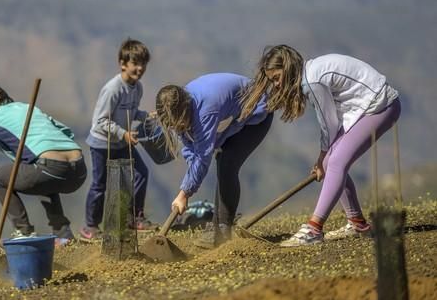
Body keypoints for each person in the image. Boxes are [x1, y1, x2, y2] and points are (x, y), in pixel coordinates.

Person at [240, 45, 401, 247]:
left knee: (334, 162)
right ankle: (357, 224)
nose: (277, 84)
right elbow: (331, 124)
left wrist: (321, 158)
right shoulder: (310, 74)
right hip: (362, 108)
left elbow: (329, 123)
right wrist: (324, 157)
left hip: (381, 105)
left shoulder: (311, 81)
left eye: (277, 77)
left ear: (288, 67)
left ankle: (314, 229)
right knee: (334, 161)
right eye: (273, 80)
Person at [0, 85, 86, 246]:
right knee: (42, 179)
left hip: (50, 169)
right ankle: (63, 234)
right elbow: (66, 132)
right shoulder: (29, 108)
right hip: (79, 170)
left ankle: (24, 231)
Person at [156, 73, 273, 248]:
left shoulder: (205, 111)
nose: (177, 128)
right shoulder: (175, 106)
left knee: (227, 162)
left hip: (256, 112)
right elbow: (189, 147)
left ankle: (223, 230)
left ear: (185, 109)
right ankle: (217, 228)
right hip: (235, 114)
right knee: (222, 161)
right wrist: (190, 177)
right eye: (174, 126)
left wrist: (184, 193)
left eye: (180, 123)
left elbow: (203, 157)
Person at [80, 38, 156, 241]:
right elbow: (100, 121)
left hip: (122, 141)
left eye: (143, 64)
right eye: (135, 64)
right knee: (100, 184)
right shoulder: (113, 89)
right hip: (102, 143)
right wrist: (123, 133)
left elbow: (131, 112)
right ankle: (91, 227)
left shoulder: (137, 88)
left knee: (141, 173)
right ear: (123, 64)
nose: (140, 68)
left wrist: (146, 116)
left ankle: (134, 217)